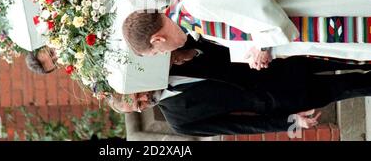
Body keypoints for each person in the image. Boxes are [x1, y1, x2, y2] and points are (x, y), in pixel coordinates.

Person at [122, 0, 371, 66]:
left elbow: (256, 1)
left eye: (156, 53)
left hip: (321, 12)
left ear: (157, 40)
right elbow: (248, 25)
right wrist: (258, 52)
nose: (164, 55)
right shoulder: (194, 24)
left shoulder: (195, 5)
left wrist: (263, 45)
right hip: (319, 33)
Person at [107, 49, 371, 136]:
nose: (144, 102)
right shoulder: (179, 121)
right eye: (138, 107)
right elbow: (238, 126)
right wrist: (290, 122)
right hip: (279, 99)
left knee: (347, 56)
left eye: (137, 96)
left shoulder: (172, 57)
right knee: (351, 86)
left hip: (277, 61)